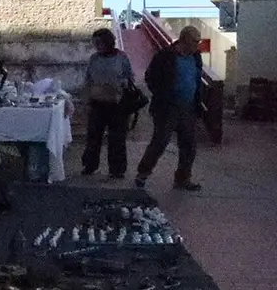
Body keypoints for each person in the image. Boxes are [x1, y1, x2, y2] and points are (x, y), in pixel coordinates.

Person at [136, 25, 204, 191]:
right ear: (184, 40)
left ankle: (183, 178)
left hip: (188, 106)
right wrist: (162, 94)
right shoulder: (165, 56)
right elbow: (150, 77)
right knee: (160, 141)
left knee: (189, 144)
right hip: (168, 107)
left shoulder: (195, 57)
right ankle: (143, 173)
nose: (197, 45)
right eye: (194, 41)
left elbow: (197, 77)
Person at [80, 28, 135, 178]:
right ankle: (89, 165)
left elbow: (130, 77)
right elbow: (88, 80)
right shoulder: (94, 59)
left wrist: (122, 83)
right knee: (93, 137)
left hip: (117, 104)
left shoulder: (121, 58)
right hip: (97, 102)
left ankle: (117, 170)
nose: (97, 46)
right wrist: (86, 99)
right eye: (95, 43)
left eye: (100, 43)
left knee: (117, 138)